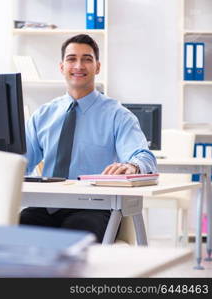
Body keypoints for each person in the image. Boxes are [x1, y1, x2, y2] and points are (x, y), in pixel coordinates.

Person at [20, 34, 157, 243]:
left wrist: (132, 166)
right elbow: (21, 162)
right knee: (19, 229)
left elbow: (144, 156)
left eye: (87, 59)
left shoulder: (117, 115)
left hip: (94, 207)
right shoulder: (43, 115)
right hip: (47, 206)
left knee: (73, 236)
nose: (78, 65)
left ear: (97, 67)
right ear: (61, 66)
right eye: (71, 59)